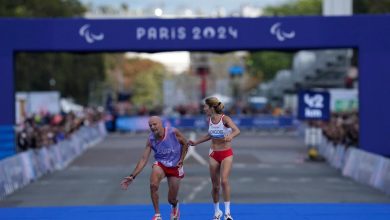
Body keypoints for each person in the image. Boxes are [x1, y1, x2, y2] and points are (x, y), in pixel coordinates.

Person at [121, 116, 189, 220]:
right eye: (150, 125)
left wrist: (182, 159)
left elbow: (185, 144)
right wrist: (132, 176)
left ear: (161, 124)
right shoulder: (151, 139)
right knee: (153, 185)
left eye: (154, 124)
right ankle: (157, 215)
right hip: (161, 164)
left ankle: (175, 206)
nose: (152, 127)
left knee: (171, 199)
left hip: (175, 166)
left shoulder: (173, 132)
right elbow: (144, 159)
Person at [188, 97, 240, 220]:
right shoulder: (210, 119)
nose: (204, 109)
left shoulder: (225, 119)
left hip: (226, 153)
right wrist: (196, 142)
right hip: (213, 154)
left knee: (224, 181)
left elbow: (237, 130)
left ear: (211, 108)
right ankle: (217, 212)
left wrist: (231, 136)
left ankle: (227, 213)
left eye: (205, 107)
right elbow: (210, 135)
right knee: (215, 186)